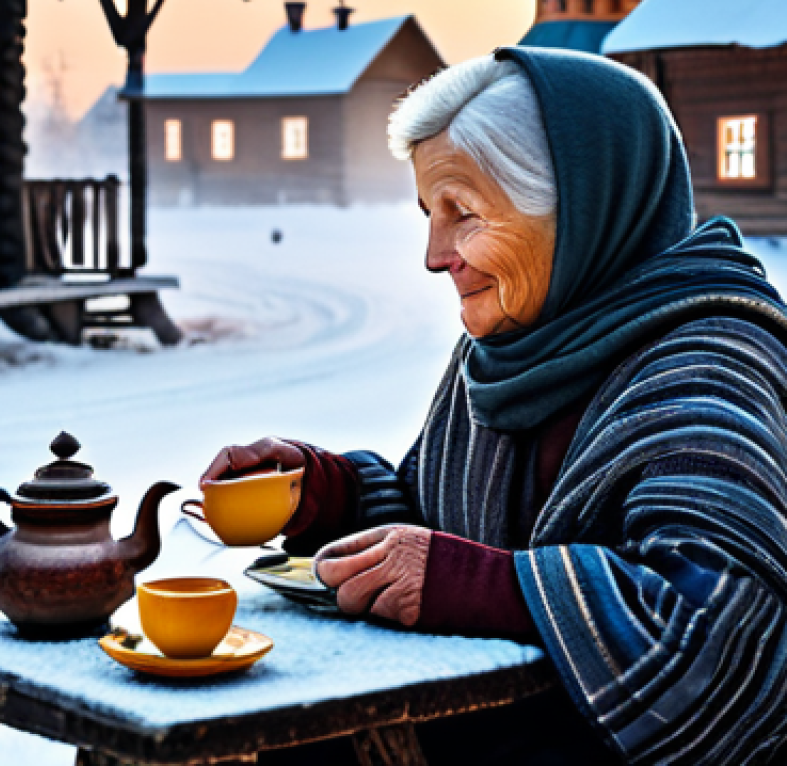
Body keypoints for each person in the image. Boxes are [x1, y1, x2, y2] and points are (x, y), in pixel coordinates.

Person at [202, 48, 787, 766]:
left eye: (464, 214)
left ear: (580, 206)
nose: (433, 253)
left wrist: (482, 585)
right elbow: (443, 528)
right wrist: (329, 493)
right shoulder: (513, 343)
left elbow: (723, 637)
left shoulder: (709, 362)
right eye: (427, 213)